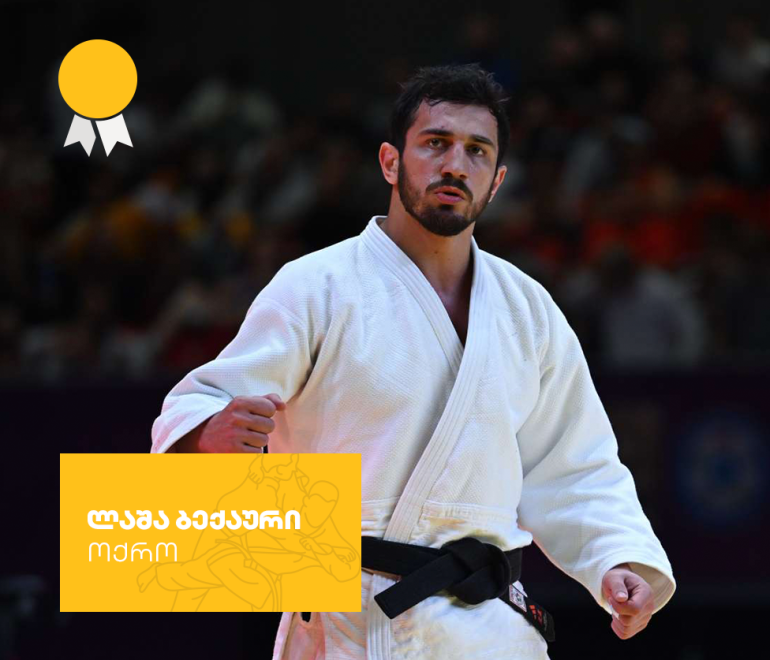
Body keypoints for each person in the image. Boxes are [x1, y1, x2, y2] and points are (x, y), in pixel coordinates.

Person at [151, 63, 675, 660]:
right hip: (349, 624)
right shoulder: (316, 286)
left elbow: (576, 464)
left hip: (491, 633)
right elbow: (202, 401)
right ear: (390, 162)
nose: (456, 165)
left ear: (497, 181)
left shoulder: (529, 309)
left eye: (477, 151)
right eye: (435, 143)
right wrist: (203, 436)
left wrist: (616, 557)